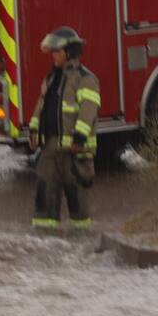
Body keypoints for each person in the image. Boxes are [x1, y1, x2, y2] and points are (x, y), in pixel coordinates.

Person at [27, 26, 101, 230]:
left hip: (74, 152)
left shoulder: (85, 79)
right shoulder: (52, 78)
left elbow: (88, 111)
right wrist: (33, 130)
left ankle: (81, 244)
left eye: (57, 52)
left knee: (78, 204)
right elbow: (41, 106)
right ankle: (45, 241)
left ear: (69, 52)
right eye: (52, 52)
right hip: (50, 148)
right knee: (44, 203)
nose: (53, 56)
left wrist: (79, 139)